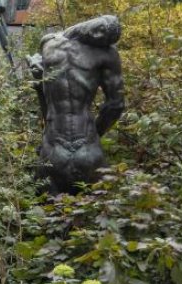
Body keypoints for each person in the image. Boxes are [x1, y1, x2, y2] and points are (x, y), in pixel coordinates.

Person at [29, 15, 125, 194]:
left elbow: (48, 103)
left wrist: (39, 78)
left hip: (53, 149)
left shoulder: (48, 45)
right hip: (88, 149)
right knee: (98, 214)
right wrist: (94, 134)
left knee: (45, 215)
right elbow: (116, 105)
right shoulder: (108, 53)